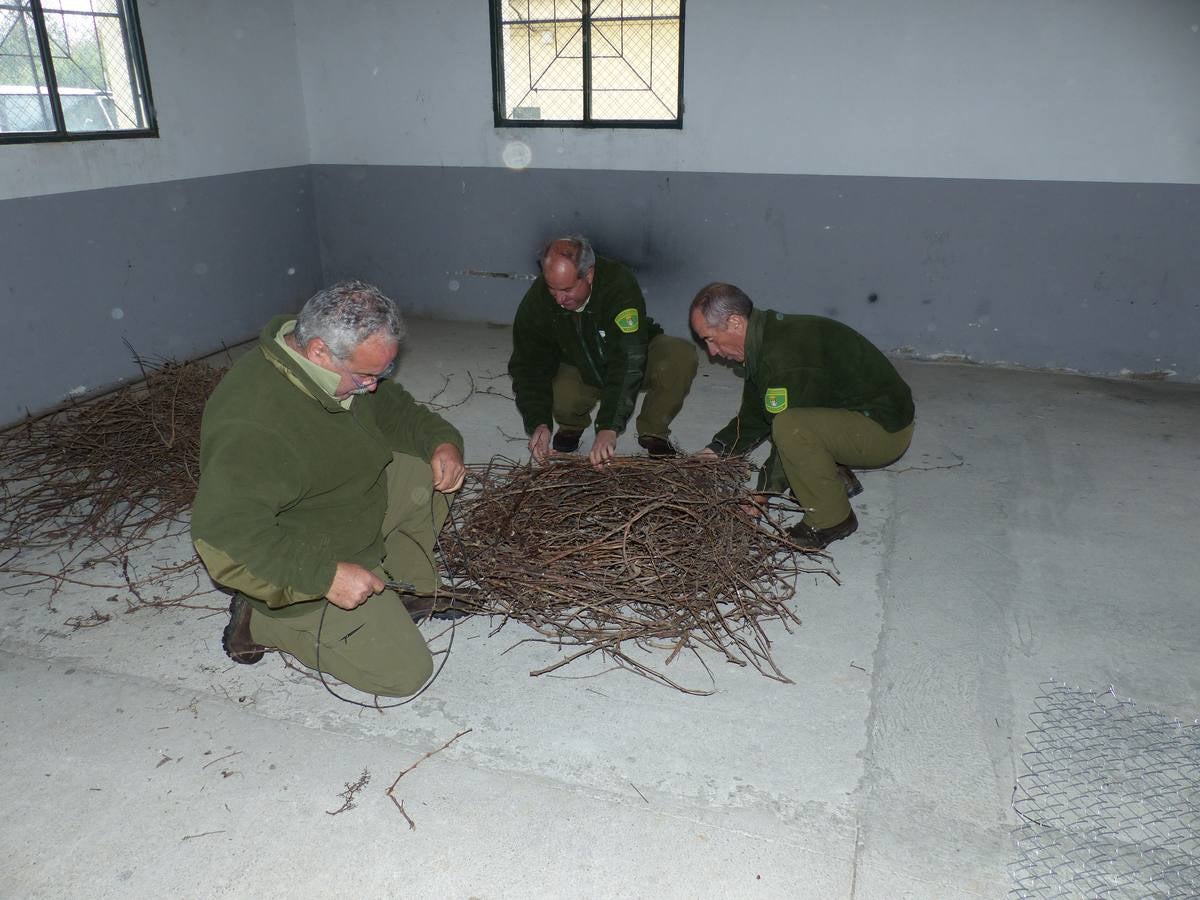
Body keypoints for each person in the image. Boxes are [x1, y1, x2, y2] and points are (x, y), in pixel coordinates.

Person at [191, 281, 467, 697]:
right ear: (319, 351)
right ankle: (261, 622)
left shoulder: (340, 371)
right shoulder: (253, 425)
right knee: (403, 674)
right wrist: (323, 576)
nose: (374, 386)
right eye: (367, 376)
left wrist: (443, 443)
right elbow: (226, 540)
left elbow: (400, 413)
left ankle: (408, 590)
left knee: (423, 470)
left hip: (346, 508)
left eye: (383, 372)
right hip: (302, 554)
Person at [690, 282, 915, 550]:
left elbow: (786, 427)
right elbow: (756, 414)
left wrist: (761, 494)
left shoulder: (783, 357)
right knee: (791, 428)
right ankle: (834, 474)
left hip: (884, 431)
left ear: (735, 323)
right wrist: (716, 450)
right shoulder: (763, 342)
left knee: (790, 427)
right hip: (854, 415)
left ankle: (832, 519)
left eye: (710, 339)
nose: (712, 352)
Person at [508, 235, 698, 466]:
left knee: (679, 356)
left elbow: (628, 359)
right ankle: (571, 425)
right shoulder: (539, 299)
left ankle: (653, 429)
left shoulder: (618, 283)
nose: (558, 299)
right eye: (552, 289)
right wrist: (538, 422)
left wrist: (609, 427)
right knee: (562, 397)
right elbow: (528, 364)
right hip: (580, 363)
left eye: (567, 289)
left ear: (589, 275)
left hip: (633, 354)